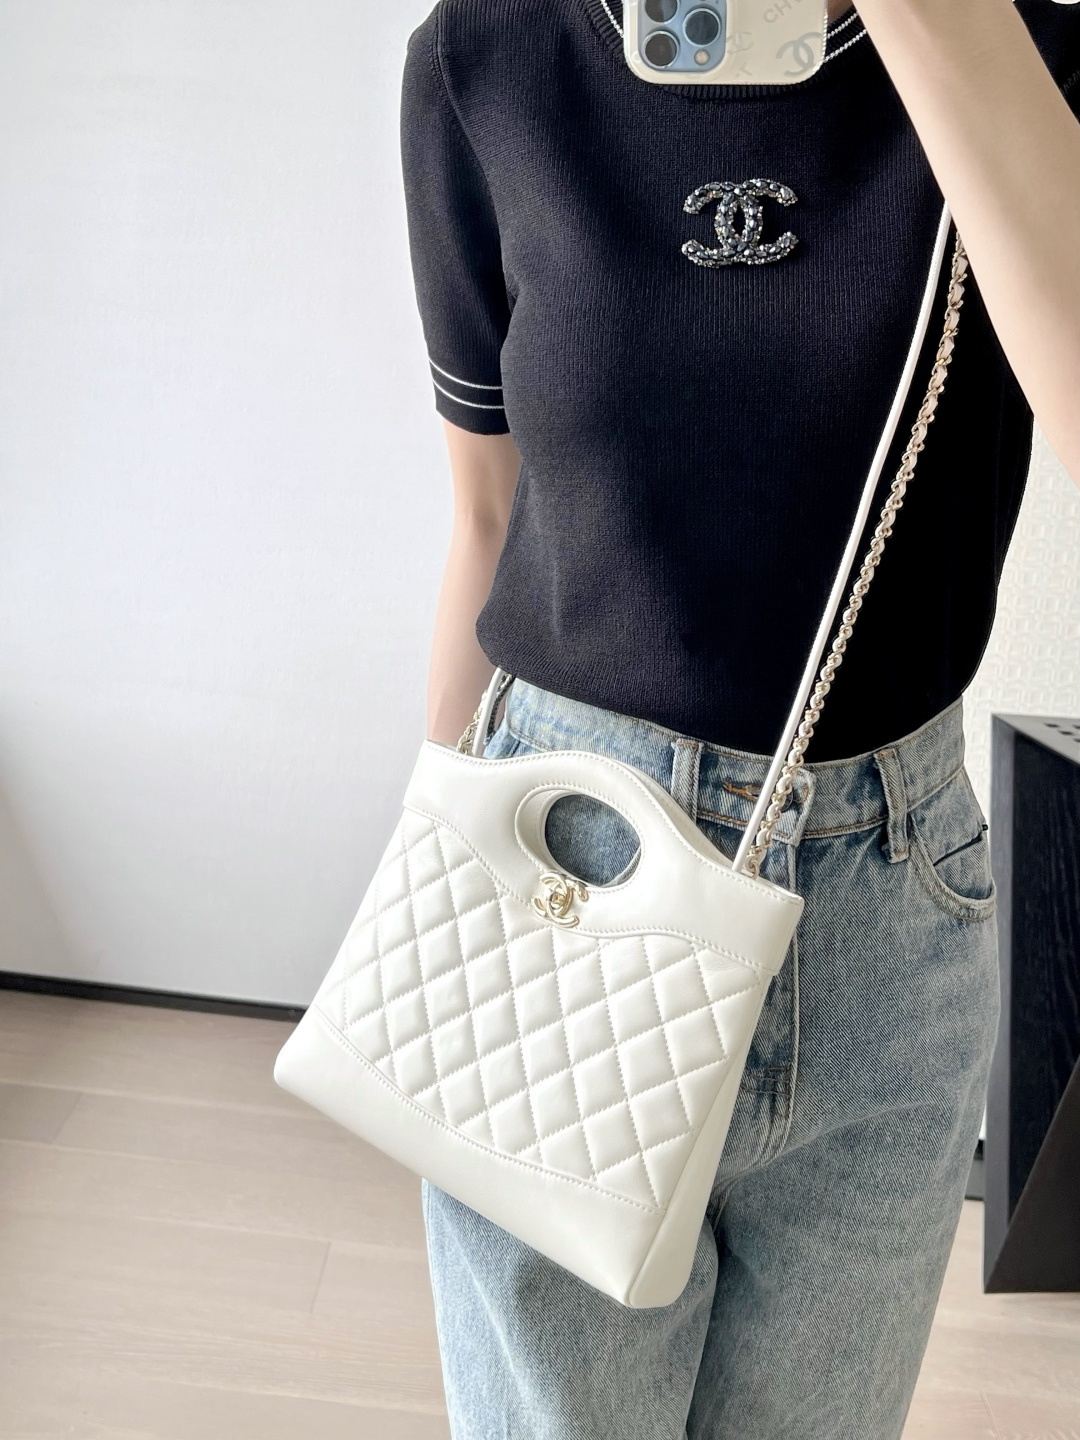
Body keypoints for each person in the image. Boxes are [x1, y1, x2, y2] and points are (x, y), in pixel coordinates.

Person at [398, 1, 1080, 1435]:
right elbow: (485, 509)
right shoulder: (489, 57)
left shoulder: (1032, 56)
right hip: (562, 871)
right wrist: (432, 868)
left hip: (891, 897)